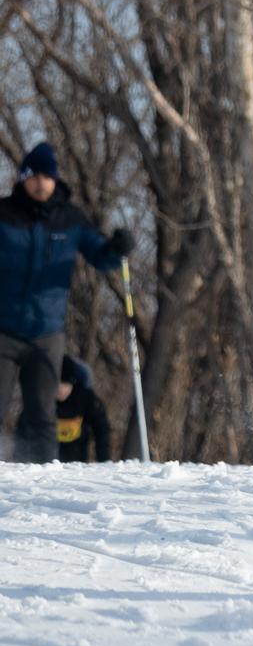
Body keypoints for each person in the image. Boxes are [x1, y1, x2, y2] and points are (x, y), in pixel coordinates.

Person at [0, 143, 128, 464]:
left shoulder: (70, 220)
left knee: (43, 413)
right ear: (23, 179)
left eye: (47, 176)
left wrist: (117, 248)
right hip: (4, 331)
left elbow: (101, 256)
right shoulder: (4, 214)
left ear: (55, 180)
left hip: (47, 334)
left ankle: (45, 482)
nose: (41, 183)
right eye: (35, 176)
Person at [57, 354, 114, 463]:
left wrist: (104, 460)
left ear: (73, 382)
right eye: (58, 383)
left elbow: (102, 429)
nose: (61, 389)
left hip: (78, 463)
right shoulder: (43, 399)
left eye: (66, 383)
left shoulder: (85, 398)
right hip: (45, 465)